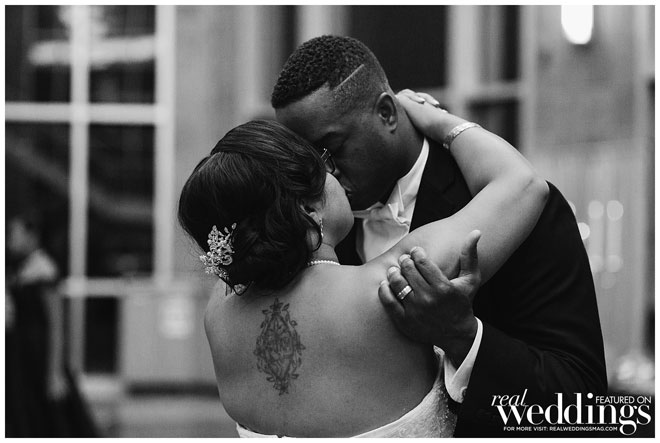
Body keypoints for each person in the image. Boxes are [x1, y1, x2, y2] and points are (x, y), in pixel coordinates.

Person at [271, 35, 607, 436]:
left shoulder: (512, 205)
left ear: (386, 113)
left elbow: (585, 403)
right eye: (305, 161)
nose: (320, 176)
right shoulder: (316, 234)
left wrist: (463, 337)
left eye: (330, 150)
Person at [178, 105, 548, 436]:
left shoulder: (218, 315)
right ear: (310, 209)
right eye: (325, 166)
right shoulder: (394, 286)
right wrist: (433, 117)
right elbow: (523, 184)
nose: (337, 174)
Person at [6, 214, 98, 437]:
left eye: (15, 234)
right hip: (21, 354)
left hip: (40, 353)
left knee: (51, 419)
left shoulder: (45, 269)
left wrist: (54, 372)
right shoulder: (21, 270)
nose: (10, 240)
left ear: (32, 236)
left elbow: (56, 324)